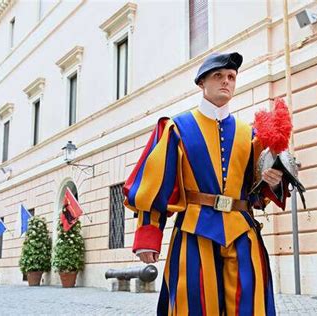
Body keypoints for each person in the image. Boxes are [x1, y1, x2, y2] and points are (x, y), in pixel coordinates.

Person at [124, 52, 289, 315]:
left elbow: (257, 192)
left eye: (231, 77)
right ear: (202, 82)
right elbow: (155, 184)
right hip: (194, 230)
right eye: (218, 76)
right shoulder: (177, 128)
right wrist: (148, 234)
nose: (226, 81)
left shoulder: (250, 136)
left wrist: (273, 181)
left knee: (251, 305)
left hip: (242, 232)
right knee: (194, 305)